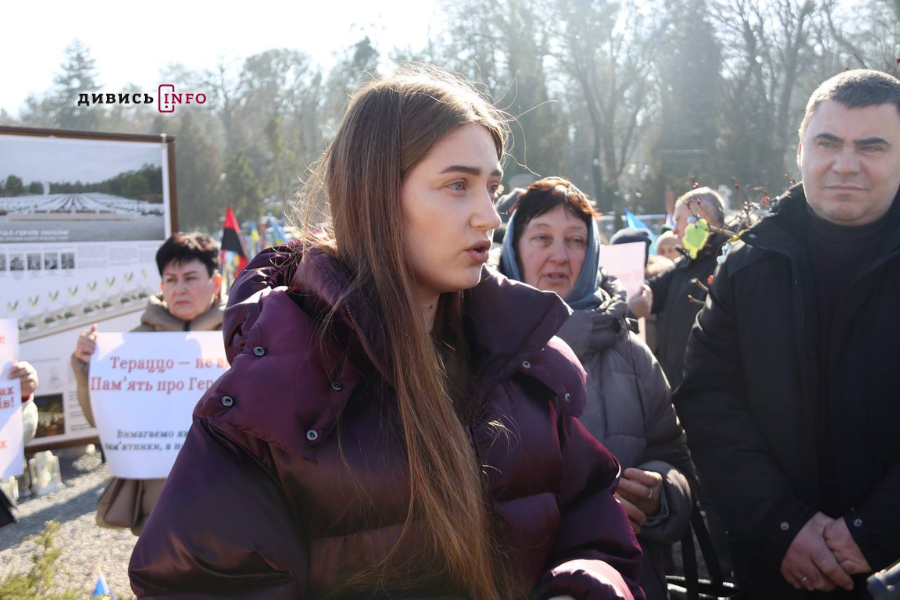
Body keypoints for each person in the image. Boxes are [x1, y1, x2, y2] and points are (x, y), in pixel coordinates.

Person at [128, 68, 643, 599]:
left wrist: (579, 586)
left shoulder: (523, 359)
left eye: (491, 187)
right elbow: (194, 583)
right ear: (375, 195)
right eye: (457, 185)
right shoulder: (270, 394)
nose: (489, 216)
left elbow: (593, 519)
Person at [673, 69, 900, 598]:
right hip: (774, 567)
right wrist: (783, 526)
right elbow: (709, 403)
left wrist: (873, 535)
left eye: (872, 146)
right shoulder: (745, 267)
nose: (846, 163)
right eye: (828, 142)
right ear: (801, 150)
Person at [497, 178, 694, 599]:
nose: (559, 255)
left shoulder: (633, 355)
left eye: (576, 240)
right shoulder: (476, 347)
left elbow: (675, 458)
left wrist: (661, 493)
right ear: (513, 247)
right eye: (542, 238)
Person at [71, 232, 225, 535]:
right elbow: (102, 421)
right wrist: (85, 368)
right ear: (162, 287)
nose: (179, 288)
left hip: (231, 499)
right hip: (158, 506)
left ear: (216, 283)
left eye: (190, 278)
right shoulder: (131, 345)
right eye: (171, 279)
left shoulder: (244, 335)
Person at [628, 187, 727, 387]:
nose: (674, 230)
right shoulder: (683, 266)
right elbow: (650, 289)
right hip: (675, 387)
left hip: (709, 390)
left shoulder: (726, 266)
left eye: (678, 220)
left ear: (700, 218)